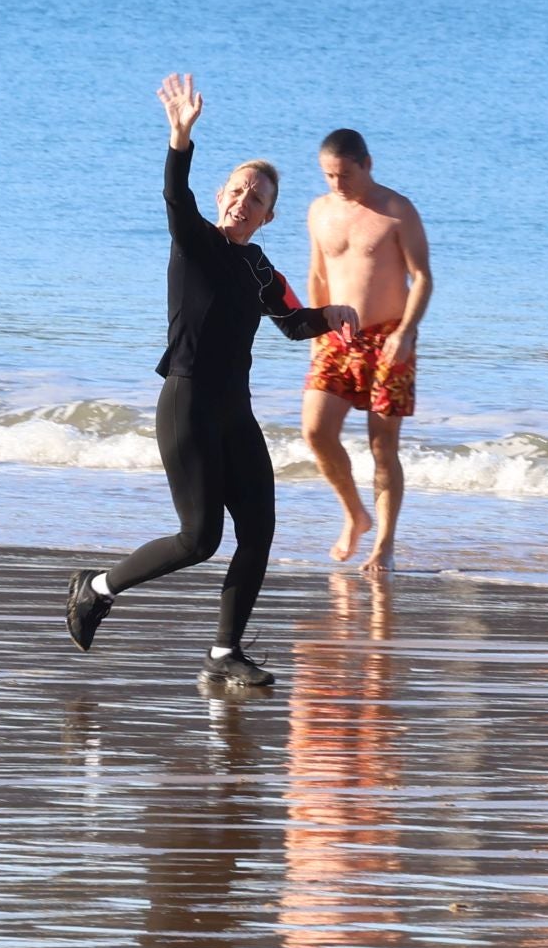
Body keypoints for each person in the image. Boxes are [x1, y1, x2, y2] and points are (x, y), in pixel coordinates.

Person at [65, 74, 360, 689]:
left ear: (268, 215)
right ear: (223, 195)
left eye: (255, 199)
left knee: (258, 532)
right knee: (200, 538)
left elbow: (289, 320)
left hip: (235, 413)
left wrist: (329, 317)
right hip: (187, 404)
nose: (241, 201)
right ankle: (95, 587)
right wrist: (180, 138)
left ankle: (225, 654)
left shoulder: (258, 266)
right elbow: (176, 196)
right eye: (236, 190)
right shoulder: (195, 242)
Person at [303, 129, 432, 575]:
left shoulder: (397, 211)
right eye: (328, 176)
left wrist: (407, 333)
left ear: (367, 164)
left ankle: (384, 546)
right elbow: (318, 275)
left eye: (344, 174)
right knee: (315, 431)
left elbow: (423, 278)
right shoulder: (319, 211)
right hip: (337, 336)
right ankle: (354, 514)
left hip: (389, 338)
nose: (337, 184)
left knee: (383, 446)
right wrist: (316, 330)